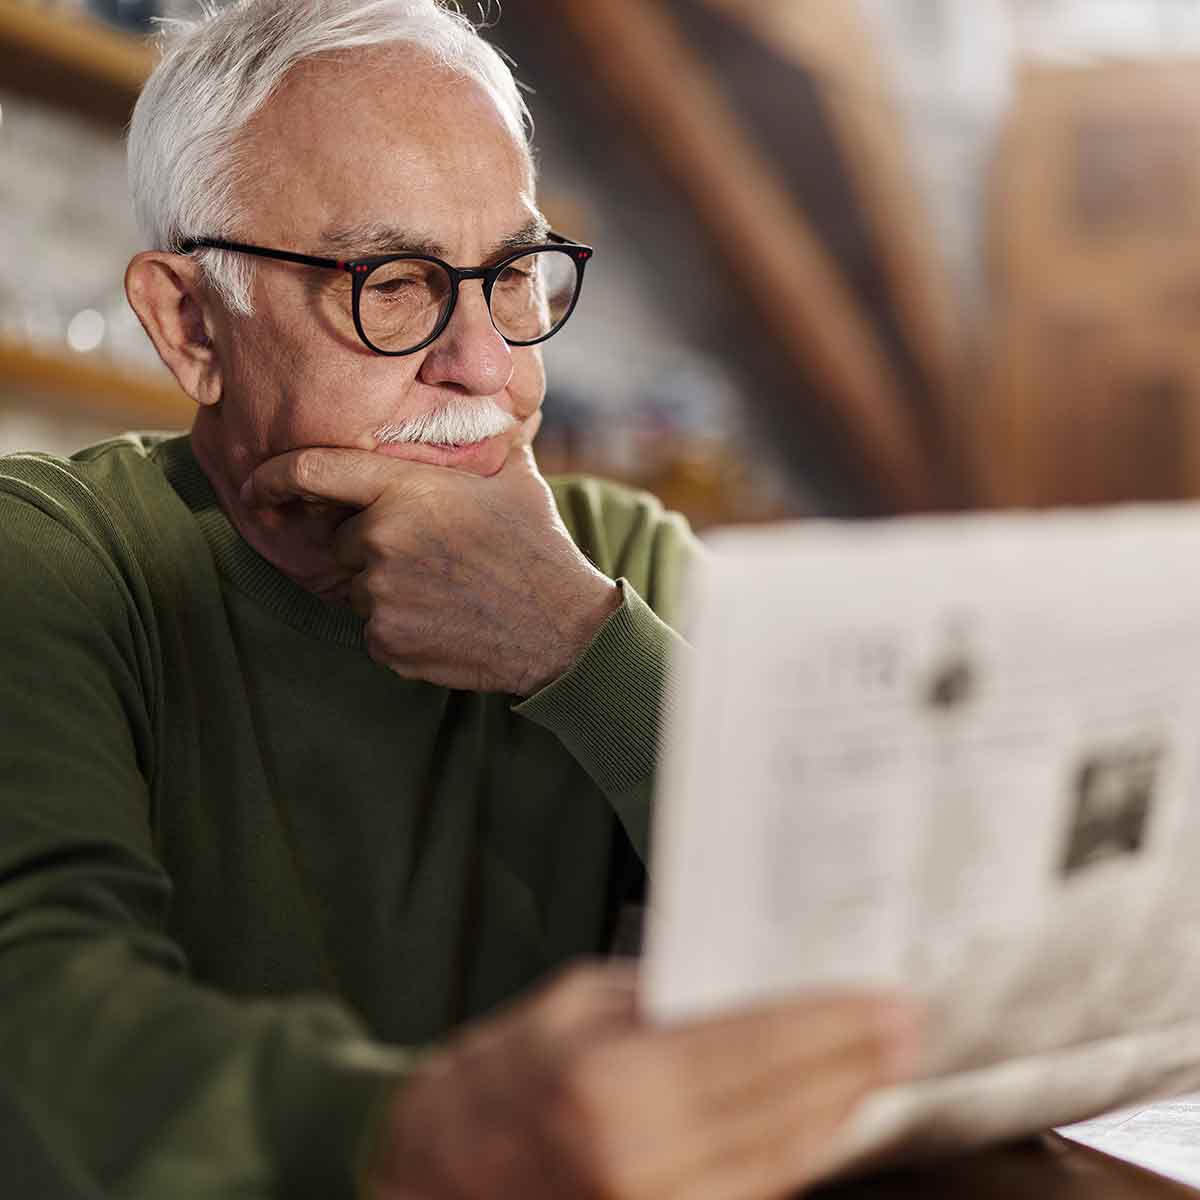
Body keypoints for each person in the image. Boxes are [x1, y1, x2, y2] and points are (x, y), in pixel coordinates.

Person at [0, 2, 921, 1196]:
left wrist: (576, 644)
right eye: (392, 284)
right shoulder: (53, 560)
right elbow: (34, 1030)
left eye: (513, 276)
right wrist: (434, 1136)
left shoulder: (616, 559)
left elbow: (886, 942)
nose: (488, 366)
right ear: (191, 326)